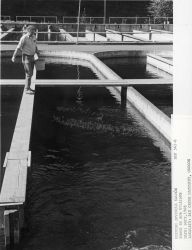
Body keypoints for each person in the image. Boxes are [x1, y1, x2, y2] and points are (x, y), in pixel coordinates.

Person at [11, 25, 40, 94]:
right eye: (32, 31)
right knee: (29, 73)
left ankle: (28, 87)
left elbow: (35, 45)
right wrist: (14, 56)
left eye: (34, 31)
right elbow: (18, 47)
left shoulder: (34, 37)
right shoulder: (24, 38)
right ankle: (27, 89)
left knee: (30, 73)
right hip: (26, 57)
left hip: (32, 57)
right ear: (28, 31)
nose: (33, 33)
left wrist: (37, 51)